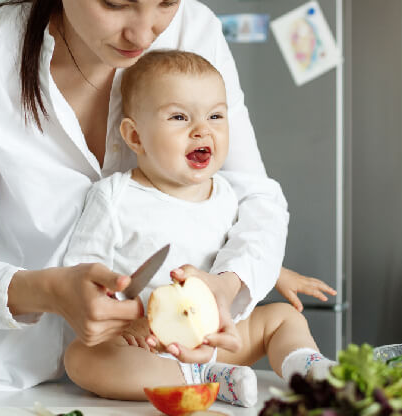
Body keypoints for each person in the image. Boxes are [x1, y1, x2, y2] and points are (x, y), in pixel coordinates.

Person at [0, 0, 294, 395]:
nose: (145, 33)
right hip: (5, 379)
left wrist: (228, 285)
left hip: (159, 370)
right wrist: (51, 291)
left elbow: (254, 196)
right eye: (115, 3)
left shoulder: (196, 31)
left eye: (169, 0)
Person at [62, 50, 337, 407]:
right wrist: (122, 321)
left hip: (220, 339)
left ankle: (309, 369)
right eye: (179, 117)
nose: (202, 129)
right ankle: (206, 380)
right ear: (135, 136)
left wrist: (275, 273)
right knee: (81, 359)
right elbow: (83, 272)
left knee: (282, 317)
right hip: (150, 345)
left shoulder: (225, 194)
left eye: (215, 116)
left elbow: (227, 248)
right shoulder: (114, 196)